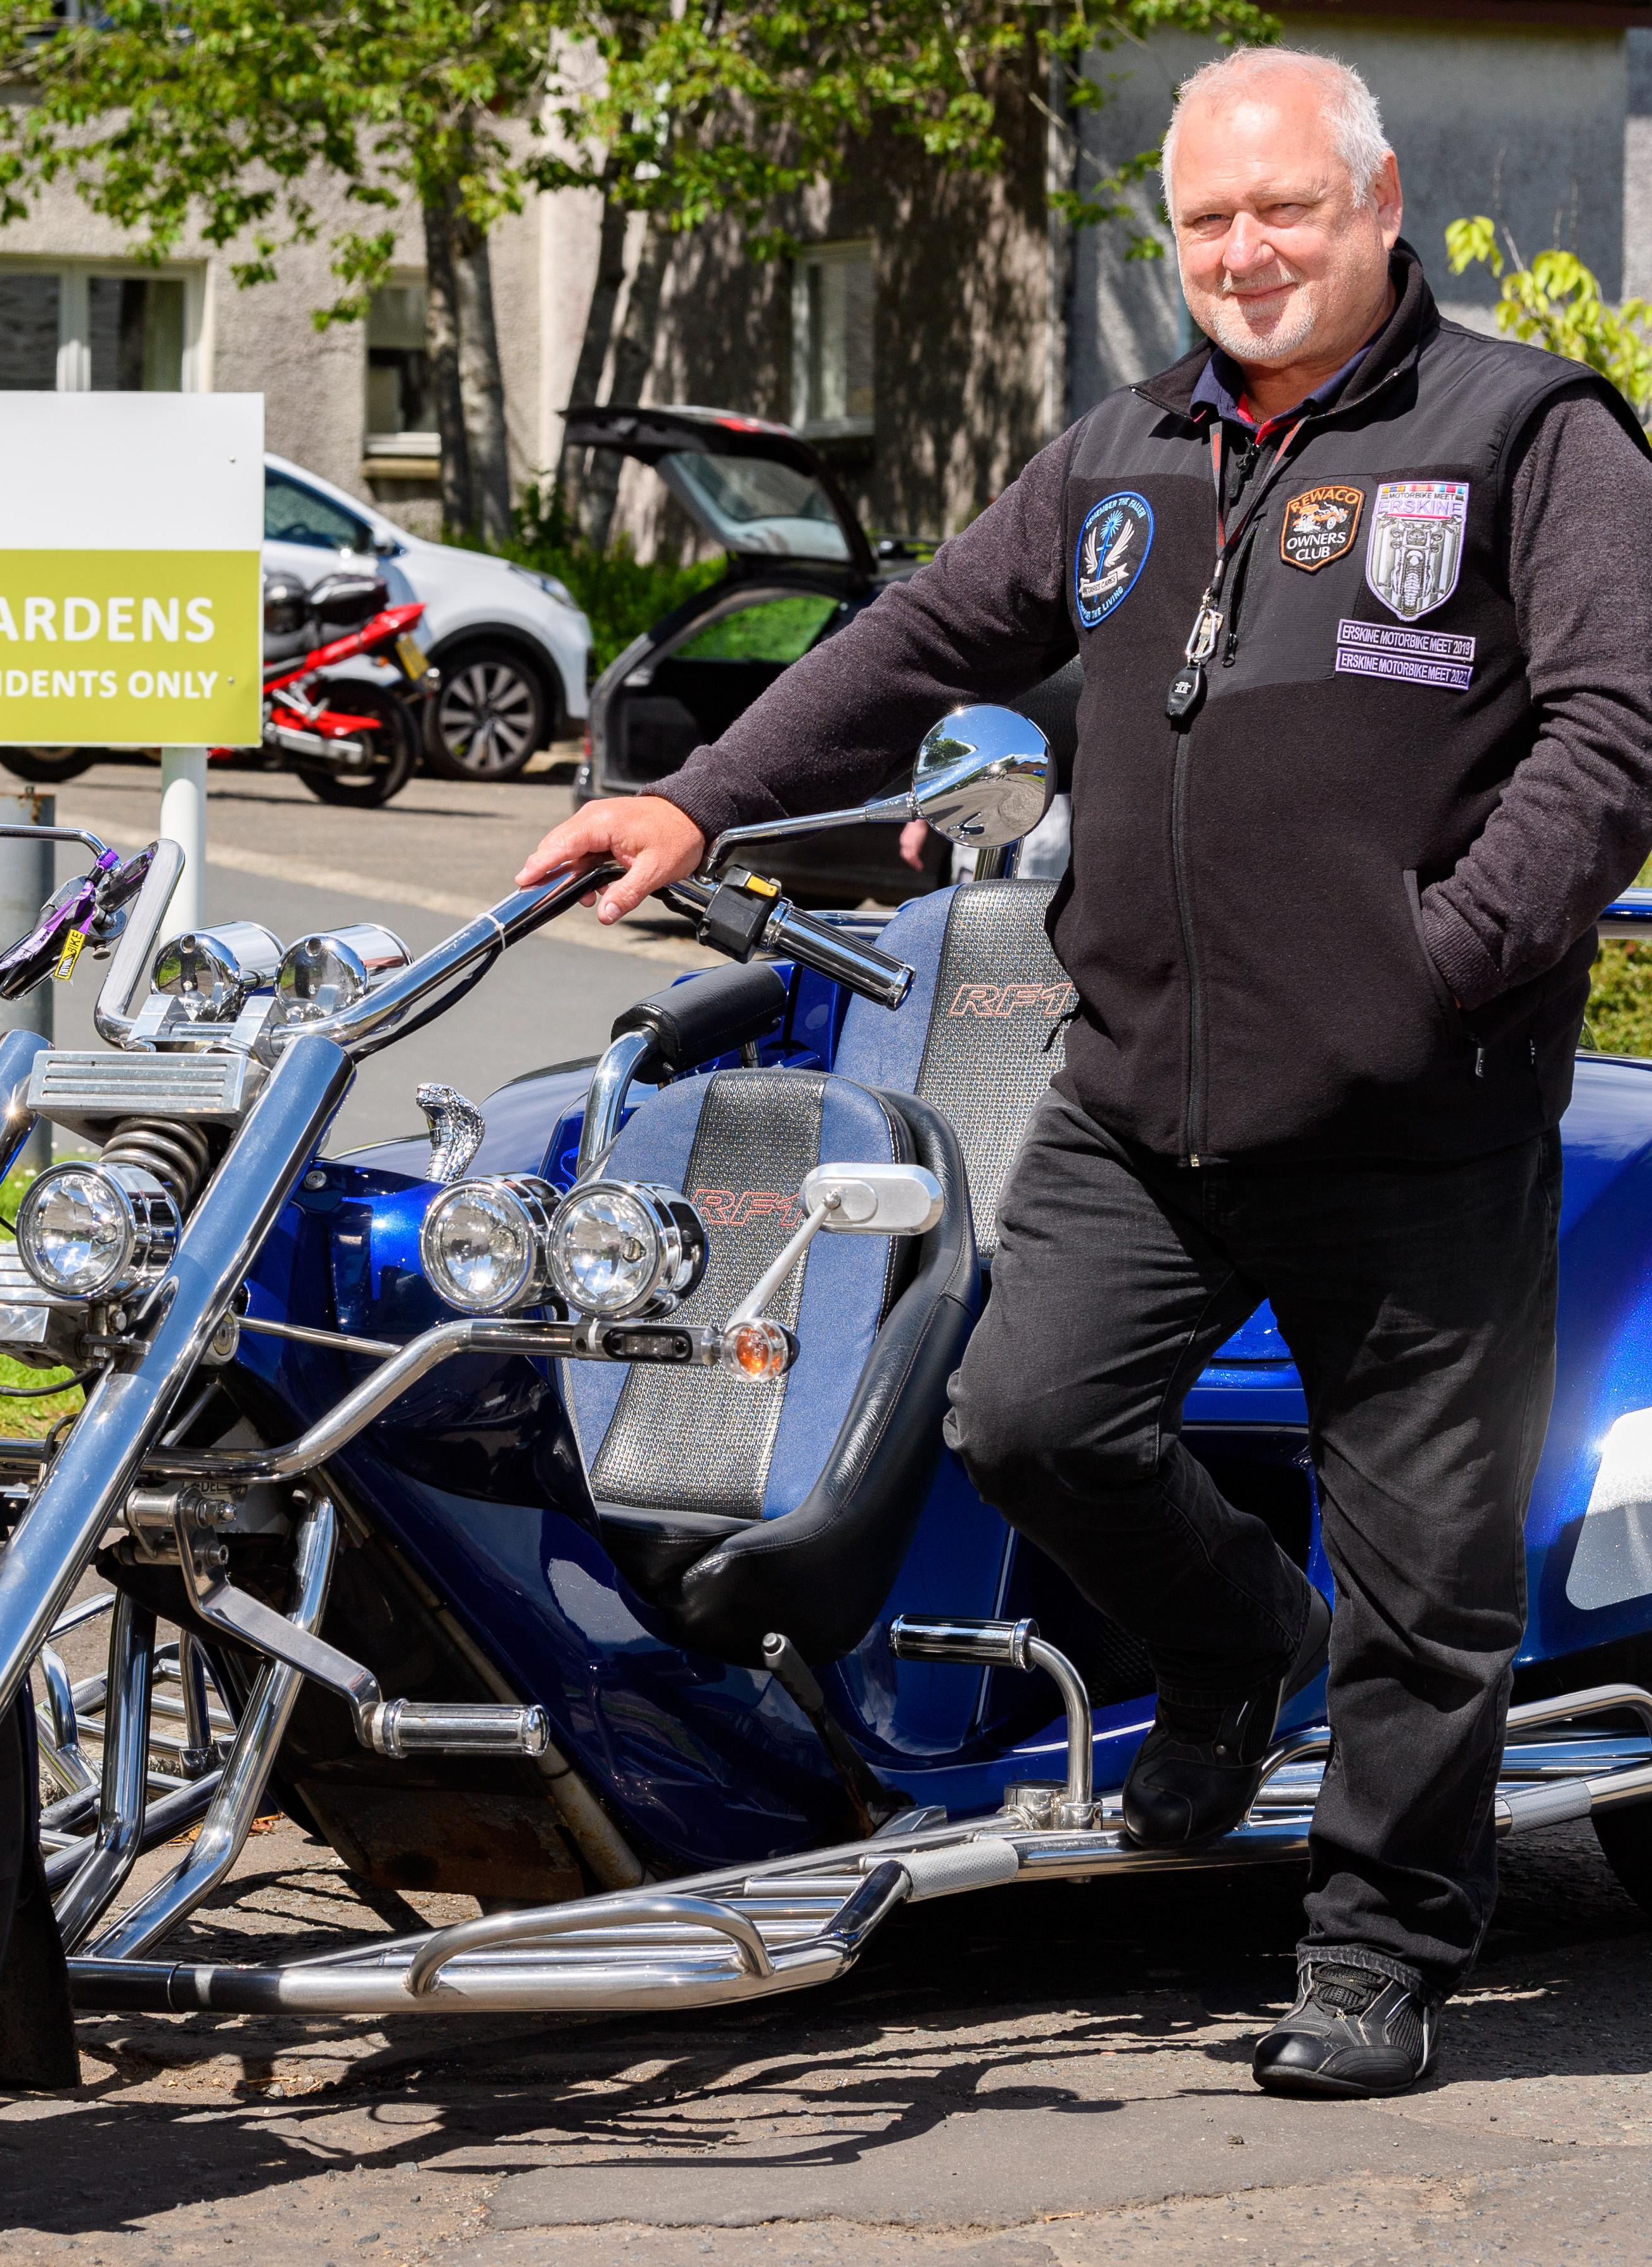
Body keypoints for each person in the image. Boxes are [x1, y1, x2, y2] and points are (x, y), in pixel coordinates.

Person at [516, 47, 1652, 2098]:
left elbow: (1608, 729)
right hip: (1134, 1087)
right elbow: (923, 637)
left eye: (1280, 211)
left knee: (1419, 1562)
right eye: (1204, 219)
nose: (1239, 251)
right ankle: (1233, 1647)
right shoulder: (1124, 446)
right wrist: (693, 802)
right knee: (1024, 1415)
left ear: (1373, 206)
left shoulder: (1522, 431)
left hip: (1416, 1106)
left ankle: (1376, 1949)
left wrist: (1446, 960)